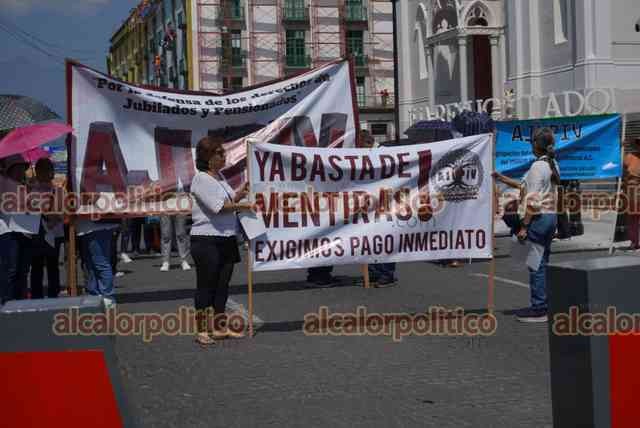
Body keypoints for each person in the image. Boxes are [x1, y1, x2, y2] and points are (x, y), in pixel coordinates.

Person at [493, 127, 560, 323]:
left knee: (535, 266)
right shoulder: (551, 163)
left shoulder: (537, 167)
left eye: (532, 141)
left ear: (536, 145)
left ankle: (539, 309)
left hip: (538, 218)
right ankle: (544, 304)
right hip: (550, 217)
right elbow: (525, 186)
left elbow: (533, 200)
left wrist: (524, 227)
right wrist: (501, 178)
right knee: (542, 263)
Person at [190, 136, 252, 345]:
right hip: (206, 239)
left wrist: (240, 194)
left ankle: (218, 327)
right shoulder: (201, 179)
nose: (224, 156)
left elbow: (229, 200)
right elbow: (217, 207)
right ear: (208, 157)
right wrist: (243, 206)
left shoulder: (220, 177)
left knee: (222, 286)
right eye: (219, 153)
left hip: (226, 237)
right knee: (206, 285)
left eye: (223, 152)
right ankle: (201, 330)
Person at [358, 129, 398, 287]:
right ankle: (374, 271)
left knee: (385, 238)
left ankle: (387, 273)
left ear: (367, 143)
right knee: (371, 238)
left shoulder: (386, 153)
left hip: (386, 202)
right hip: (370, 202)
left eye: (359, 146)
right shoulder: (367, 153)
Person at [0, 154, 40, 302]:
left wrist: (32, 193)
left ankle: (19, 300)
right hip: (8, 231)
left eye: (22, 168)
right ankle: (6, 300)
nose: (20, 171)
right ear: (10, 169)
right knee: (11, 268)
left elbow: (34, 207)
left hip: (25, 231)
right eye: (17, 168)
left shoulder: (26, 186)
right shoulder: (3, 182)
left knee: (22, 269)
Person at [29, 158, 64, 299]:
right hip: (38, 233)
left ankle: (52, 294)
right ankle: (37, 296)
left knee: (51, 265)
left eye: (48, 170)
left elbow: (62, 212)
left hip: (53, 233)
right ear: (37, 172)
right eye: (42, 170)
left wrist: (50, 215)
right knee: (37, 266)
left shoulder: (58, 190)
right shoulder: (31, 191)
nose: (46, 173)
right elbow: (29, 211)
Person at [623, 137, 640, 250]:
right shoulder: (630, 157)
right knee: (632, 218)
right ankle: (634, 241)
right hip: (630, 192)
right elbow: (620, 165)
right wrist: (620, 147)